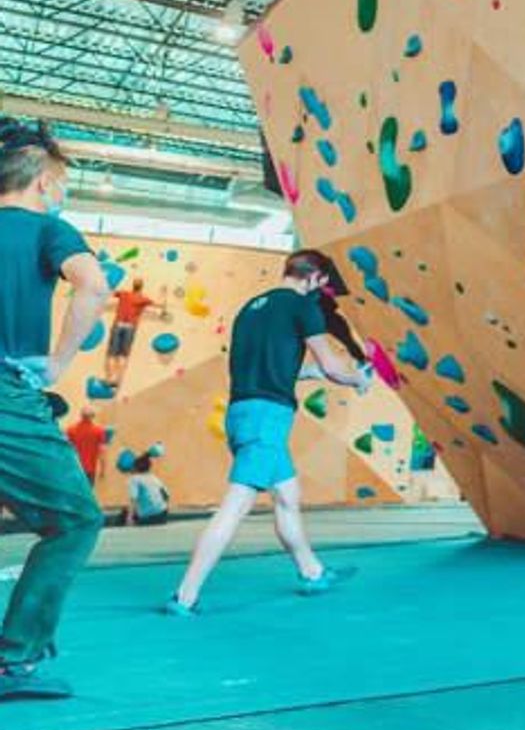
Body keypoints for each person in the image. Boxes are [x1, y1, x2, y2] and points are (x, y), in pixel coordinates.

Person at [164, 249, 371, 614]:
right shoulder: (303, 305)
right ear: (316, 278)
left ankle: (312, 572)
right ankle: (185, 596)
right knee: (234, 507)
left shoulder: (251, 309)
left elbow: (283, 367)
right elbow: (331, 365)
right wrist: (357, 378)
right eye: (323, 284)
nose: (322, 292)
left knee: (288, 496)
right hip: (267, 419)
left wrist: (326, 374)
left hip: (241, 412)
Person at [0, 119, 111, 700]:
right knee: (74, 520)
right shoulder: (48, 229)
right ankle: (12, 660)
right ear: (43, 180)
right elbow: (92, 287)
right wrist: (58, 362)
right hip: (5, 394)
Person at [102, 276, 163, 389]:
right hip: (130, 327)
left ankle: (109, 379)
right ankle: (117, 380)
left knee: (111, 354)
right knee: (123, 355)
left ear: (133, 286)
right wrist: (163, 301)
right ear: (141, 287)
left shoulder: (124, 294)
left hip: (118, 324)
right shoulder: (143, 299)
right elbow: (158, 305)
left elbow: (109, 292)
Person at [122, 453, 171, 527]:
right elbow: (167, 495)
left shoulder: (134, 479)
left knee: (124, 513)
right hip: (163, 514)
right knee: (132, 510)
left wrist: (129, 519)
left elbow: (133, 500)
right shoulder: (154, 478)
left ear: (135, 468)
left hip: (149, 517)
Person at [64, 406, 107, 485]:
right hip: (90, 470)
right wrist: (102, 469)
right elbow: (102, 452)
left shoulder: (71, 430)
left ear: (81, 415)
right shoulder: (99, 431)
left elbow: (65, 449)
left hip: (74, 468)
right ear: (93, 416)